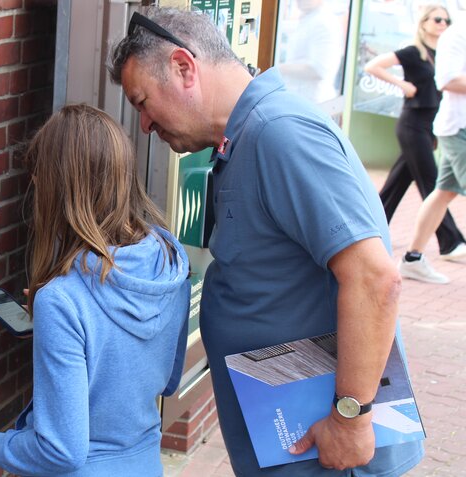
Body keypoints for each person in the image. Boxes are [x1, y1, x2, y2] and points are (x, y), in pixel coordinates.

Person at [110, 7, 423, 476]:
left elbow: (375, 278)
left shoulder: (280, 134)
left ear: (183, 67)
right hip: (288, 433)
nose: (145, 127)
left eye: (142, 102)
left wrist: (351, 419)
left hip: (325, 446)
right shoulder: (244, 137)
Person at [0, 104, 192, 476]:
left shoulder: (62, 300)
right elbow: (165, 380)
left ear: (59, 191)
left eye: (39, 184)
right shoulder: (169, 264)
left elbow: (61, 450)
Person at [364, 5, 465, 283]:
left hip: (430, 125)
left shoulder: (438, 53)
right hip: (412, 124)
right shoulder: (413, 51)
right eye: (437, 19)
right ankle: (451, 241)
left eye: (446, 19)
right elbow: (373, 66)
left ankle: (371, 227)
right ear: (424, 22)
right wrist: (402, 85)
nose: (442, 23)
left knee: (400, 185)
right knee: (431, 181)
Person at [400, 17, 466, 285]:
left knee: (444, 192)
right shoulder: (457, 34)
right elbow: (448, 80)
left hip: (455, 127)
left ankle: (412, 259)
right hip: (458, 128)